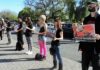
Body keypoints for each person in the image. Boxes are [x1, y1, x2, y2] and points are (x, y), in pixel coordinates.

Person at [79, 1, 100, 70]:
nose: (89, 5)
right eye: (89, 5)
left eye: (92, 4)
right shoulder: (86, 19)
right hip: (85, 49)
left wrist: (98, 36)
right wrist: (78, 32)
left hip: (96, 49)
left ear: (97, 6)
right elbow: (83, 33)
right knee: (84, 68)